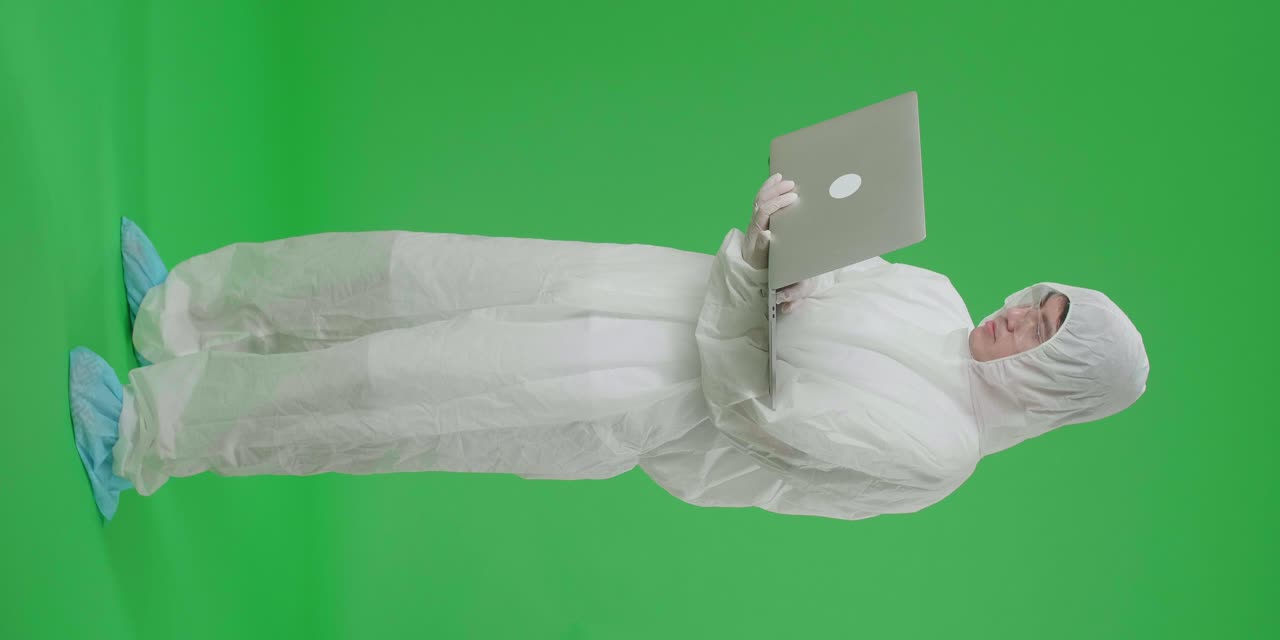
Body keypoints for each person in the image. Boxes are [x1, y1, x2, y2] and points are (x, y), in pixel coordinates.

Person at [69, 174, 1149, 524]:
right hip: (645, 287)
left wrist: (750, 272)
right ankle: (188, 309)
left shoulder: (935, 451)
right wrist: (790, 239)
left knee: (391, 389)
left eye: (1040, 338)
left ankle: (150, 434)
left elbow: (755, 410)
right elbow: (820, 288)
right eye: (1035, 304)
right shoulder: (935, 294)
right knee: (409, 270)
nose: (1013, 322)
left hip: (633, 392)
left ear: (1053, 386)